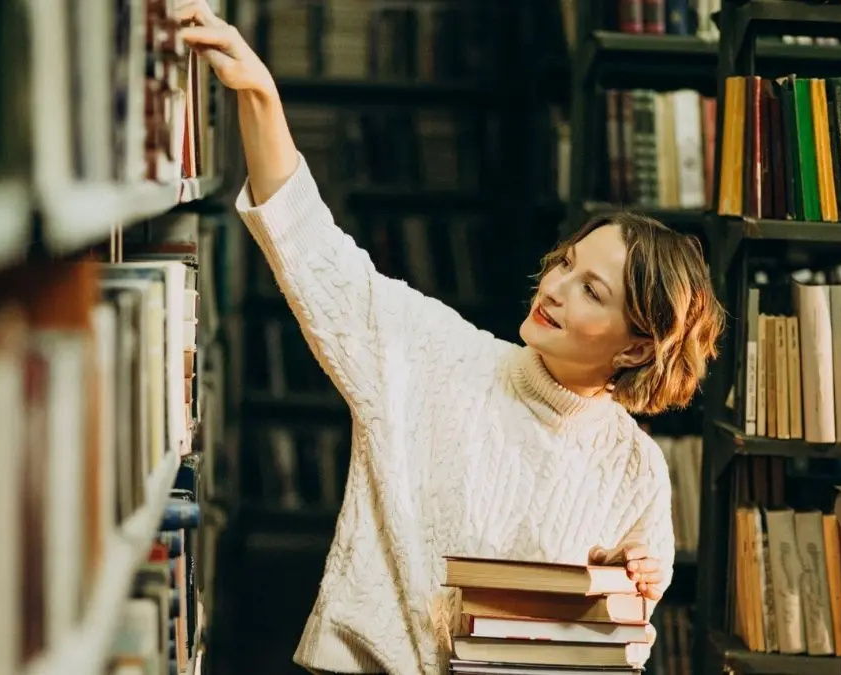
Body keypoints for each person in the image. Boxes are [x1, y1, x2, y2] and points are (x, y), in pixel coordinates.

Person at [178, 4, 724, 674]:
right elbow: (316, 254)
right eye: (566, 263)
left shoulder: (635, 467)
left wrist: (618, 583)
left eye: (592, 290)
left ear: (637, 346)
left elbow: (626, 635)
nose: (556, 286)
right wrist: (261, 94)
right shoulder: (433, 353)